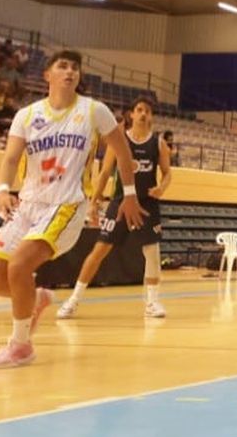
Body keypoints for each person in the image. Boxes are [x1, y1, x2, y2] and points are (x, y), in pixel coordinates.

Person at [0, 48, 146, 369]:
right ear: (48, 75)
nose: (70, 72)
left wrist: (128, 194)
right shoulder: (26, 115)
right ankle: (36, 298)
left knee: (19, 266)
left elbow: (123, 152)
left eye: (75, 68)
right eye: (63, 66)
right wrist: (2, 189)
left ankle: (20, 346)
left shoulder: (94, 111)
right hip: (28, 204)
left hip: (67, 204)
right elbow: (11, 158)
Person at [57, 96, 173, 320]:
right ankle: (73, 300)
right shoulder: (119, 140)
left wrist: (162, 187)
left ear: (151, 116)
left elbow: (168, 173)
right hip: (120, 202)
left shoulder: (158, 144)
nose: (143, 114)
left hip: (147, 204)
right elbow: (104, 173)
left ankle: (152, 302)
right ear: (132, 114)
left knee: (152, 253)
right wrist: (94, 202)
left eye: (148, 111)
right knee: (99, 250)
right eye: (139, 109)